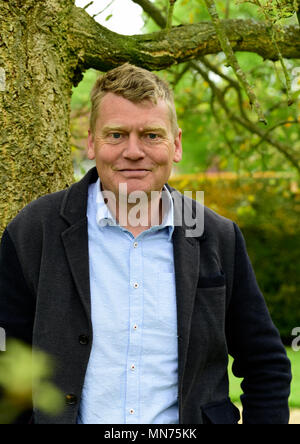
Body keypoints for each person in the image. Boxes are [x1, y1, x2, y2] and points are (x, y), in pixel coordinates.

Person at [0, 64, 291, 424]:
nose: (134, 151)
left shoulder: (217, 236)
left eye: (152, 135)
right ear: (91, 142)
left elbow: (266, 364)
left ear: (176, 144)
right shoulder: (33, 232)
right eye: (117, 135)